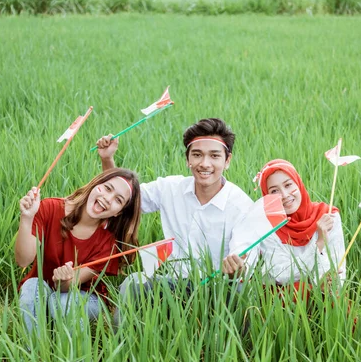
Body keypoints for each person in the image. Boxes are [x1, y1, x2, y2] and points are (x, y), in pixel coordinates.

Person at [96, 118, 253, 324]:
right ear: (188, 159)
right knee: (134, 283)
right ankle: (122, 350)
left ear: (227, 160)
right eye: (197, 155)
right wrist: (107, 160)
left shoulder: (241, 206)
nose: (205, 164)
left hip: (218, 288)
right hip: (173, 285)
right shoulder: (170, 188)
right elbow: (124, 199)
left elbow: (244, 264)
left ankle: (227, 352)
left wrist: (237, 269)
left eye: (214, 156)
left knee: (242, 292)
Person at [15, 168, 141, 333]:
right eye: (108, 188)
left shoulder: (109, 243)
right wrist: (27, 218)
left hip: (83, 296)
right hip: (43, 288)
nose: (107, 199)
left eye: (118, 200)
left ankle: (76, 357)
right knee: (31, 286)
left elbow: (68, 286)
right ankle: (32, 354)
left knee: (62, 301)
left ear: (119, 212)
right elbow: (23, 260)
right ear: (96, 184)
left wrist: (63, 280)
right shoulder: (49, 208)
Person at [224, 159, 346, 299]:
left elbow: (338, 265)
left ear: (298, 183)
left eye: (288, 185)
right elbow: (282, 274)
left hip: (322, 293)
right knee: (301, 290)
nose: (284, 194)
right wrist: (318, 243)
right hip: (283, 297)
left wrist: (325, 283)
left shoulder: (328, 216)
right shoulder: (268, 225)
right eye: (274, 191)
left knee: (335, 303)